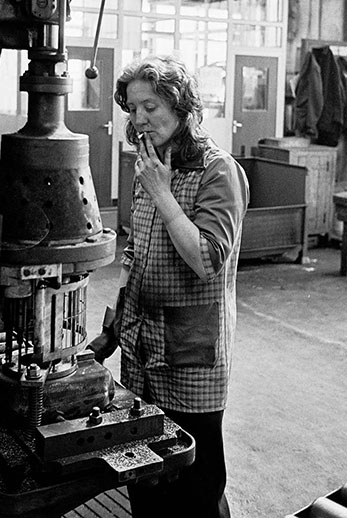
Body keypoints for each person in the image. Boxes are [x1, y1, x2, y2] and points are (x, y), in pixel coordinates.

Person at [89, 54, 249, 518]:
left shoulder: (218, 172)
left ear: (181, 107)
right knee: (145, 479)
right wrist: (114, 327)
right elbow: (135, 252)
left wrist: (162, 192)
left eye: (150, 108)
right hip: (141, 352)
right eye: (132, 109)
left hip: (189, 355)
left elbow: (207, 261)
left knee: (195, 486)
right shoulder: (149, 165)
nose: (138, 120)